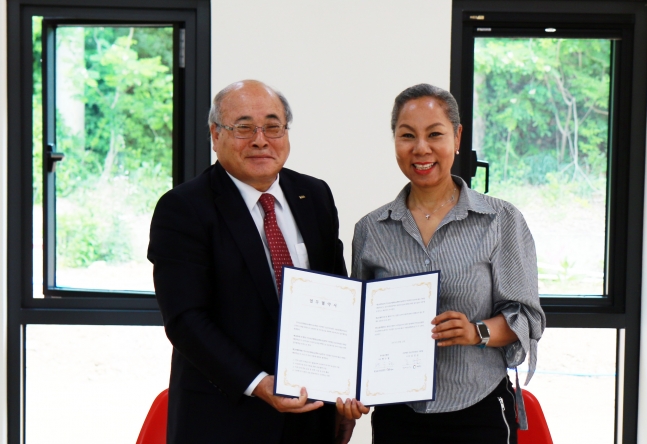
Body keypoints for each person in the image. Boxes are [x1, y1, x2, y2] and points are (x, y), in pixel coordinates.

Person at [336, 83, 545, 443]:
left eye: (435, 134)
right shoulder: (371, 230)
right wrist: (351, 386)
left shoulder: (500, 220)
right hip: (397, 414)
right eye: (407, 136)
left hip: (477, 409)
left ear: (457, 136)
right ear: (395, 141)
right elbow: (360, 327)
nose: (421, 149)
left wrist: (476, 331)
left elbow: (527, 318)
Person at [148, 80, 354, 443]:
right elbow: (185, 319)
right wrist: (259, 384)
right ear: (215, 134)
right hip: (224, 418)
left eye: (273, 126)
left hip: (309, 418)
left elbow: (339, 299)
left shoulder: (315, 196)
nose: (261, 139)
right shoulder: (184, 208)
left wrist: (346, 389)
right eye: (243, 127)